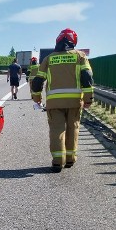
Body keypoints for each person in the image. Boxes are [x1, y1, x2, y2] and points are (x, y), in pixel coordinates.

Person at [30, 28, 94, 172]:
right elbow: (87, 77)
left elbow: (38, 80)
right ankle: (70, 159)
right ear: (73, 41)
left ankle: (58, 161)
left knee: (56, 130)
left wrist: (37, 98)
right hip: (75, 102)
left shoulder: (49, 58)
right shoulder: (80, 56)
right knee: (73, 129)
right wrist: (89, 98)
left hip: (54, 102)